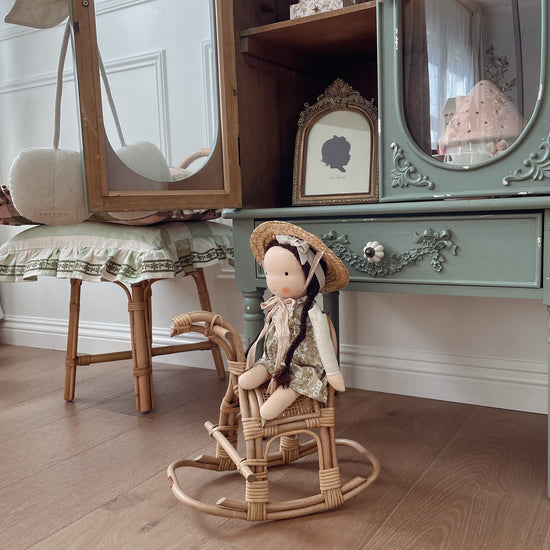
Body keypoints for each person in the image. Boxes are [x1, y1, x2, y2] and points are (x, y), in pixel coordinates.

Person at [239, 221, 349, 420]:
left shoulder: (312, 313)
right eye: (269, 273)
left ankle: (290, 391)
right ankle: (267, 370)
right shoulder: (277, 305)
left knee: (267, 411)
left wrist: (333, 373)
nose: (274, 281)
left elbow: (324, 343)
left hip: (304, 368)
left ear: (310, 277)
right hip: (275, 361)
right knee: (245, 380)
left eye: (286, 274)